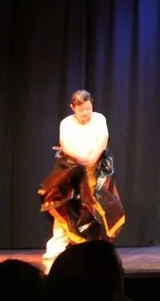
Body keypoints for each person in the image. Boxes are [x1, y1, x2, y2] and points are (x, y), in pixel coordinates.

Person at [38, 90, 125, 264]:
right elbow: (65, 146)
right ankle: (57, 247)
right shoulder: (66, 123)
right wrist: (82, 159)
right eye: (81, 110)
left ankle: (98, 248)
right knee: (64, 203)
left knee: (97, 208)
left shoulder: (99, 119)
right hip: (71, 168)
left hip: (96, 168)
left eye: (88, 108)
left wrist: (91, 160)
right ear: (73, 108)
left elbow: (102, 141)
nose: (86, 113)